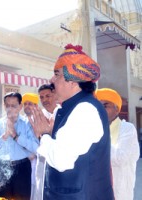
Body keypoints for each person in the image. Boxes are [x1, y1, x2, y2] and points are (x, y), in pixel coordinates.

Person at [30, 44, 114, 199]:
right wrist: (49, 132)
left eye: (57, 74)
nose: (52, 80)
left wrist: (43, 135)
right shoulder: (75, 107)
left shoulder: (85, 110)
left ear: (73, 81)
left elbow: (61, 160)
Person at [0, 92, 38, 199]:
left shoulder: (27, 123)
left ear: (20, 106)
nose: (10, 109)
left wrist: (15, 136)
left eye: (14, 106)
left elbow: (36, 147)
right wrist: (4, 136)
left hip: (22, 168)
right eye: (7, 106)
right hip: (2, 167)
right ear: (4, 106)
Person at [95, 88, 140, 200]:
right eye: (98, 107)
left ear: (117, 109)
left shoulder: (127, 129)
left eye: (105, 106)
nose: (101, 110)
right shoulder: (96, 129)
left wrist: (98, 137)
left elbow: (120, 158)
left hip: (119, 194)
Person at [21, 93, 40, 199]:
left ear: (36, 106)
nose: (27, 106)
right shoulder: (21, 121)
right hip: (22, 161)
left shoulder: (39, 120)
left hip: (35, 161)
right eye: (25, 104)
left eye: (30, 104)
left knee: (34, 190)